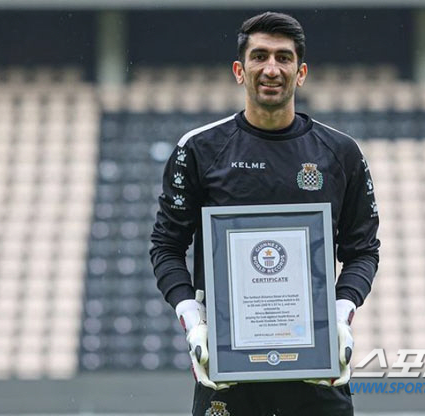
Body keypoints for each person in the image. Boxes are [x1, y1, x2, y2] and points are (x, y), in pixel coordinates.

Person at [150, 11, 380, 416]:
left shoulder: (341, 153)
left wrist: (341, 318)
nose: (271, 69)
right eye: (259, 57)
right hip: (228, 369)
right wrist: (195, 323)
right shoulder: (199, 149)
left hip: (315, 369)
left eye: (283, 58)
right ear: (239, 70)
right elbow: (167, 246)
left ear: (301, 72)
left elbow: (362, 251)